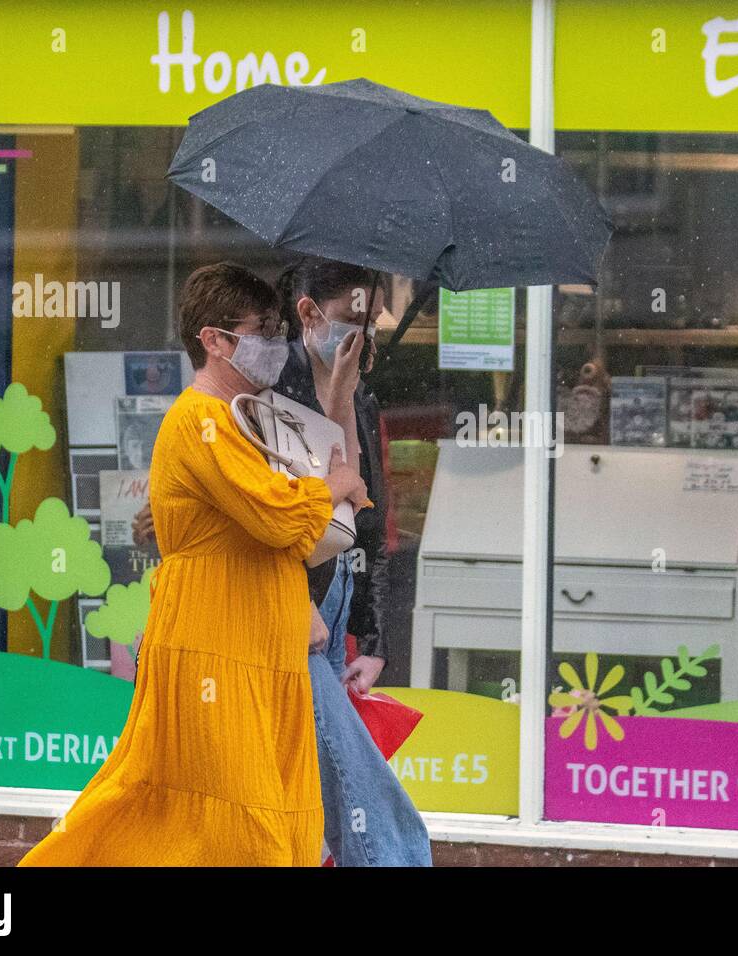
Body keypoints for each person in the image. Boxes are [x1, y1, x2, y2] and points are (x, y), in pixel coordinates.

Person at [19, 262, 367, 866]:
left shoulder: (247, 420)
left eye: (276, 329)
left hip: (261, 645)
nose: (273, 345)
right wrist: (333, 483)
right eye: (260, 330)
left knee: (270, 812)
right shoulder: (197, 418)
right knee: (236, 817)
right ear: (214, 340)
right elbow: (280, 517)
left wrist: (340, 403)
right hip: (214, 641)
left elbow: (308, 524)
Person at [276, 254, 432, 866]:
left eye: (372, 322)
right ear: (309, 313)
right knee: (356, 788)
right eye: (351, 319)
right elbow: (275, 524)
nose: (362, 337)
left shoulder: (359, 394)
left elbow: (369, 518)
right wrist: (295, 604)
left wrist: (374, 638)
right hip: (295, 601)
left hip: (336, 596)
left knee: (315, 790)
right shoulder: (273, 391)